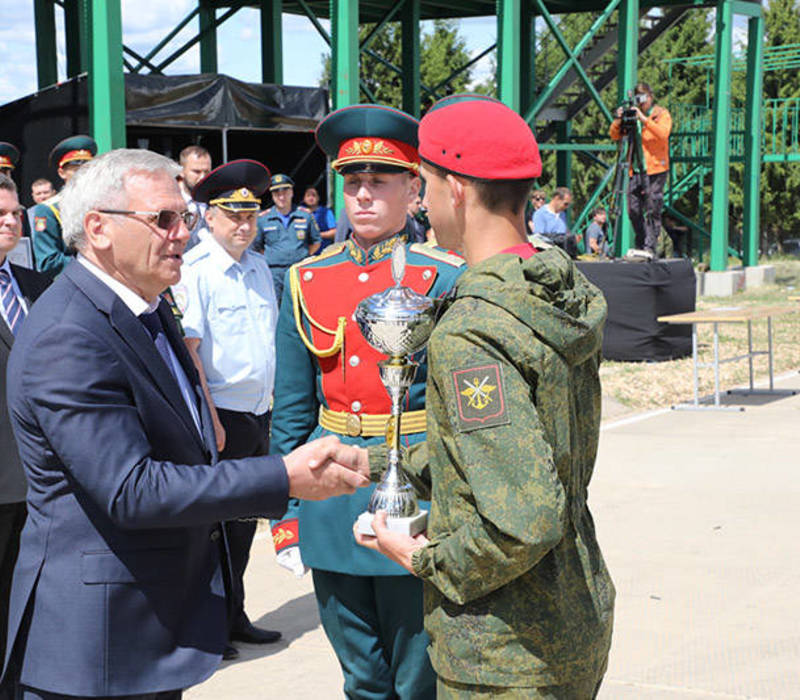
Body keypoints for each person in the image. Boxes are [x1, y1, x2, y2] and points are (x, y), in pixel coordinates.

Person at [2, 148, 369, 700]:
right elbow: (131, 489)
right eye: (164, 219)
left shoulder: (144, 304)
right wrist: (282, 478)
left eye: (187, 218)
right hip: (97, 646)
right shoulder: (70, 334)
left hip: (144, 630)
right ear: (98, 229)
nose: (182, 234)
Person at [354, 97, 615, 697]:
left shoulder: (474, 326)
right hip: (574, 613)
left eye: (423, 184)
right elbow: (528, 451)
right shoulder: (554, 287)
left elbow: (523, 518)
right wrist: (375, 464)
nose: (420, 202)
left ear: (456, 191)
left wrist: (420, 557)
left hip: (504, 647)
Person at [269, 103, 465, 700]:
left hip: (418, 486)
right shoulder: (306, 278)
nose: (362, 196)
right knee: (360, 676)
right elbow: (292, 406)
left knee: (417, 674)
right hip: (331, 491)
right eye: (352, 182)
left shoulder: (446, 277)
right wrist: (286, 514)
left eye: (379, 182)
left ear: (413, 189)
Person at [174, 159, 281, 660]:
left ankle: (235, 614)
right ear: (209, 217)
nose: (243, 224)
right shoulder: (196, 271)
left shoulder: (259, 267)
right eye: (232, 215)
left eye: (250, 215)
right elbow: (192, 351)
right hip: (225, 417)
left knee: (244, 526)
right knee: (216, 528)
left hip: (259, 412)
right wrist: (210, 417)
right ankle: (210, 624)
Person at [0, 175, 50, 700]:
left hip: (39, 481)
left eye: (15, 213)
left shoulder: (36, 287)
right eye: (0, 214)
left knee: (29, 605)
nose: (11, 222)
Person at [610, 82, 672, 255]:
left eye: (643, 98)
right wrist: (619, 119)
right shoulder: (632, 116)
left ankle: (649, 247)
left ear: (650, 97)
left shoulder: (660, 114)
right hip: (635, 170)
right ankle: (641, 241)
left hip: (656, 170)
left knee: (653, 209)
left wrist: (644, 120)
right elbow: (614, 135)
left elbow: (663, 134)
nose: (641, 102)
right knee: (633, 210)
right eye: (638, 99)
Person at [32, 134, 97, 277]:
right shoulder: (49, 210)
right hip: (72, 285)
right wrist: (94, 264)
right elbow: (47, 262)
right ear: (62, 173)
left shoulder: (102, 203)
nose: (84, 175)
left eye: (87, 169)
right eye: (76, 170)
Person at [252, 174, 320, 301]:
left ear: (291, 192)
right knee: (275, 310)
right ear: (272, 195)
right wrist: (275, 256)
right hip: (274, 274)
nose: (281, 196)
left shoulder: (305, 216)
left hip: (299, 271)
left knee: (300, 308)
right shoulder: (263, 219)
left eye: (285, 192)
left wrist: (300, 254)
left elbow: (315, 242)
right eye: (277, 193)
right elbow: (257, 247)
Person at [177, 145, 213, 251]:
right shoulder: (171, 203)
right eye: (196, 172)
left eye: (207, 172)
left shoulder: (216, 204)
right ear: (181, 171)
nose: (202, 177)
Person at [531, 187, 579, 258]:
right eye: (565, 204)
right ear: (557, 198)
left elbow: (564, 233)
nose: (567, 207)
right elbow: (538, 239)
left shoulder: (562, 215)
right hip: (549, 257)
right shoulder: (540, 214)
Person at [301, 186, 336, 252]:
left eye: (314, 195)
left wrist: (317, 235)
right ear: (304, 198)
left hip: (323, 252)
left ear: (318, 198)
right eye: (308, 196)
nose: (311, 198)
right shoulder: (299, 212)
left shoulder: (326, 212)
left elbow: (334, 232)